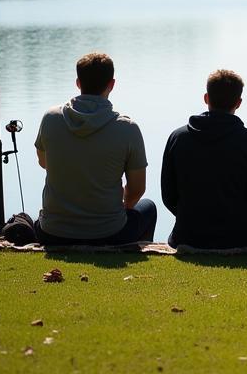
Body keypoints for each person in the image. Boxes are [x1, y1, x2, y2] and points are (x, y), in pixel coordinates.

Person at [33, 52, 156, 246]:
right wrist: (122, 208)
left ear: (78, 83)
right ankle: (132, 254)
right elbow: (137, 189)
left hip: (53, 232)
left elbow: (44, 162)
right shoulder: (127, 129)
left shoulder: (50, 118)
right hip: (109, 233)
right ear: (112, 84)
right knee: (148, 207)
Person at [161, 69, 247, 249]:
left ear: (206, 98)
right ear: (239, 103)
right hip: (238, 236)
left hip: (187, 236)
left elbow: (168, 195)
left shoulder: (178, 137)